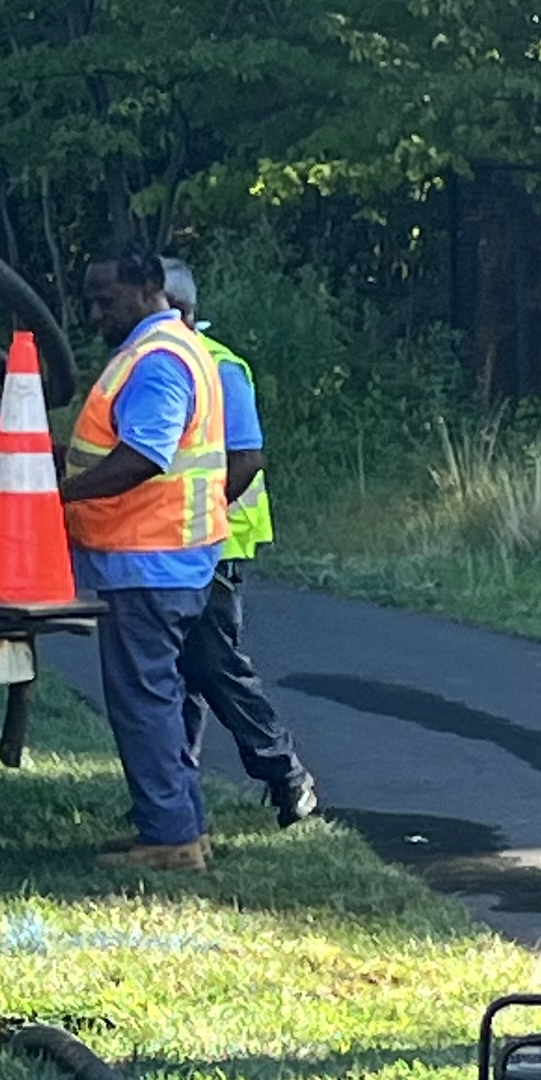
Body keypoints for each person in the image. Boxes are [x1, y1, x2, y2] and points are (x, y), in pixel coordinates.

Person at [60, 241, 234, 871]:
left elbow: (144, 455)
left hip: (149, 558)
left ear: (146, 287)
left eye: (105, 299)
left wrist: (60, 496)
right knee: (157, 697)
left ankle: (169, 838)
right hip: (171, 556)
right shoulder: (175, 346)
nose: (95, 313)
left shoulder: (156, 360)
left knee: (144, 701)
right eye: (90, 300)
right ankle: (182, 825)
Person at [159, 258, 319, 827]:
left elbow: (246, 459)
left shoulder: (219, 367)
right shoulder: (168, 361)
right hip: (179, 541)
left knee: (212, 665)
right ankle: (176, 793)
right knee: (183, 672)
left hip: (214, 544)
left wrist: (197, 518)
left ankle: (285, 772)